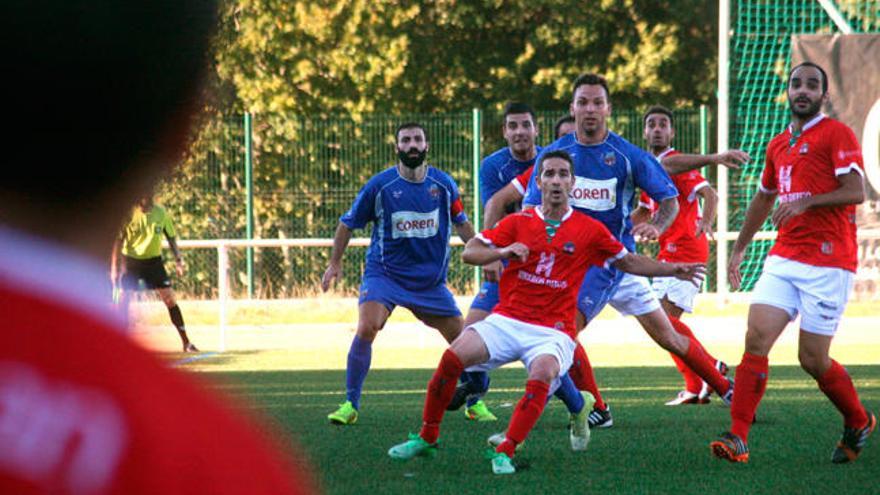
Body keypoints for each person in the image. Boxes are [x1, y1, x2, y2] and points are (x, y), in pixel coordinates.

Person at [0, 3, 315, 494]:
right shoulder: (218, 465)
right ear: (183, 127)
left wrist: (178, 252)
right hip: (130, 265)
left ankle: (185, 340)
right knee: (128, 302)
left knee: (167, 303)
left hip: (149, 263)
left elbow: (167, 237)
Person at [387, 150, 705, 474]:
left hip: (553, 330)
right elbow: (471, 251)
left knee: (542, 375)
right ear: (537, 182)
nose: (556, 180)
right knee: (452, 358)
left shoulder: (590, 229)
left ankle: (506, 450)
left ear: (573, 183)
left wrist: (672, 268)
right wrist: (502, 251)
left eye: (563, 174)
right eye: (549, 174)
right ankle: (427, 437)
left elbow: (628, 261)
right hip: (508, 319)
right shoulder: (517, 222)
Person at [518, 73, 734, 429]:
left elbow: (669, 200)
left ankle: (601, 409)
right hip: (576, 266)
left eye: (597, 103)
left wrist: (657, 226)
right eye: (583, 102)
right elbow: (531, 210)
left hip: (614, 262)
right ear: (572, 109)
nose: (590, 109)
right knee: (667, 335)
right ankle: (725, 386)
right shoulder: (554, 158)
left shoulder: (627, 155)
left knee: (562, 330)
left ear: (608, 109)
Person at [711, 62, 875, 464]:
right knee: (756, 339)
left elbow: (855, 190)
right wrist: (740, 247)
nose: (803, 90)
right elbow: (764, 198)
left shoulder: (837, 133)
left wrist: (807, 201)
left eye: (812, 85)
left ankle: (858, 419)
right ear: (788, 91)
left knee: (812, 360)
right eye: (796, 83)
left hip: (829, 261)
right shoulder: (778, 144)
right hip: (784, 258)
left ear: (824, 95)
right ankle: (738, 438)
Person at [321, 122, 476, 426]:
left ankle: (475, 401)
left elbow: (462, 224)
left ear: (427, 145)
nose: (412, 144)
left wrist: (489, 254)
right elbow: (347, 224)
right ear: (397, 147)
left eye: (418, 139)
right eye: (406, 140)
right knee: (367, 326)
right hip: (386, 276)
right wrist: (334, 263)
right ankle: (350, 404)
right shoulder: (380, 186)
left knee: (466, 341)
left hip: (430, 283)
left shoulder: (444, 185)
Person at [631, 105, 728, 405]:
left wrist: (706, 220)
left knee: (665, 321)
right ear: (645, 131)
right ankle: (693, 384)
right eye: (652, 124)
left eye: (663, 124)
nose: (657, 129)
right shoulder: (649, 169)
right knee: (660, 323)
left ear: (672, 132)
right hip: (666, 254)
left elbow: (709, 193)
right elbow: (645, 211)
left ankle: (712, 367)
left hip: (687, 250)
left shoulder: (676, 163)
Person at [111, 195, 197, 352]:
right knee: (124, 301)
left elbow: (171, 238)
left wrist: (179, 260)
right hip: (131, 262)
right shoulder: (128, 213)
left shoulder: (161, 213)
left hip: (154, 263)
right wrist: (114, 268)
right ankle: (118, 343)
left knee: (170, 299)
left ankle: (186, 342)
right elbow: (117, 241)